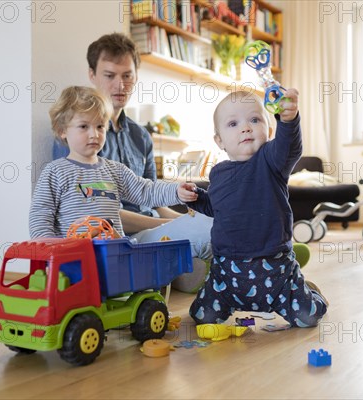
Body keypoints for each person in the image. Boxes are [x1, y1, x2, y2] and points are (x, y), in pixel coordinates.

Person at [52, 32, 212, 263]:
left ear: (136, 76)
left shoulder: (141, 136)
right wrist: (170, 224)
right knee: (204, 232)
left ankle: (186, 263)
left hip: (150, 230)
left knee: (214, 222)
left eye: (127, 75)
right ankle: (183, 264)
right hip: (114, 239)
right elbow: (97, 214)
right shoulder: (78, 138)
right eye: (109, 75)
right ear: (92, 75)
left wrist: (182, 217)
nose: (120, 85)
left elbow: (152, 198)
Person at [181, 89, 328, 328]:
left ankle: (309, 293)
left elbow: (289, 147)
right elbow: (216, 207)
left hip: (276, 271)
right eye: (233, 123)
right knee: (202, 317)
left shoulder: (271, 160)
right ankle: (225, 301)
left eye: (255, 120)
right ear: (219, 140)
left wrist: (288, 121)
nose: (245, 128)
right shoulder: (217, 173)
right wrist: (195, 198)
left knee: (308, 316)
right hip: (227, 273)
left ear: (269, 131)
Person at [30, 86, 196, 238]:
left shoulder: (115, 170)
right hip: (74, 257)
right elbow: (40, 214)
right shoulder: (55, 172)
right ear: (62, 130)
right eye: (83, 127)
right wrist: (49, 246)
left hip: (115, 253)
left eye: (100, 126)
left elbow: (147, 191)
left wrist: (176, 192)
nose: (94, 134)